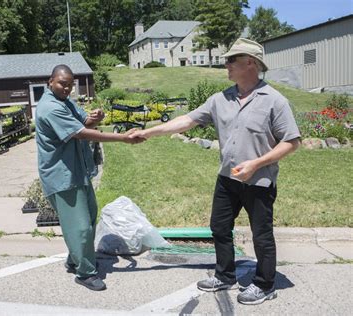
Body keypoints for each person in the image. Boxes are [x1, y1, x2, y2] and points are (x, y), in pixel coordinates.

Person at [129, 38, 301, 305]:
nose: (226, 65)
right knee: (219, 228)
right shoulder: (221, 99)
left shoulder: (274, 101)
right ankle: (225, 275)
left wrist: (256, 164)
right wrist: (148, 132)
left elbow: (292, 142)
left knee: (261, 235)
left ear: (250, 63)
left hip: (259, 181)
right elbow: (187, 120)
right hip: (227, 178)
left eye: (231, 60)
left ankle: (265, 285)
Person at [35, 64, 143, 291]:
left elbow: (84, 124)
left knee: (90, 216)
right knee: (80, 227)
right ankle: (85, 273)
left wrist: (96, 117)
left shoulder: (65, 102)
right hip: (61, 176)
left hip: (77, 171)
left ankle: (75, 259)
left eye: (70, 84)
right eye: (62, 83)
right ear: (50, 81)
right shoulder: (49, 107)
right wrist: (122, 138)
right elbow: (80, 133)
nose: (67, 88)